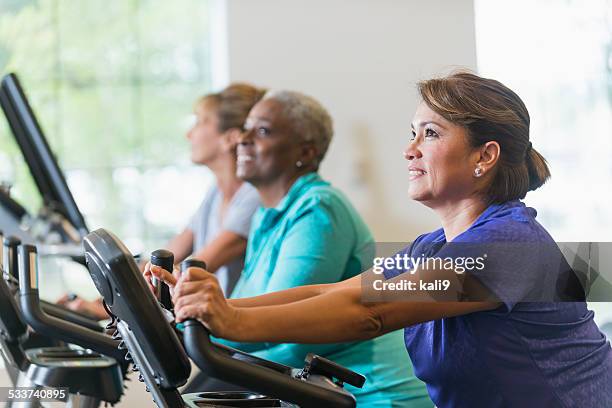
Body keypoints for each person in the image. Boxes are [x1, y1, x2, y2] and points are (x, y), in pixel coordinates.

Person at [167, 72, 612, 407]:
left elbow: (370, 313)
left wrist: (231, 323)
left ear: (485, 156)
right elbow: (336, 292)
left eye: (431, 134)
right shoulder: (432, 247)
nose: (410, 149)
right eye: (412, 133)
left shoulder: (510, 246)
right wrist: (197, 311)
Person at [148, 90, 432, 406]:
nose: (243, 139)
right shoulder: (266, 217)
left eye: (263, 131)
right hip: (314, 390)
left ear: (305, 152)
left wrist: (205, 323)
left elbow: (289, 333)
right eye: (246, 128)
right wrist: (191, 313)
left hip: (369, 395)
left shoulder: (320, 209)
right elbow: (292, 299)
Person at [58, 83, 264, 319]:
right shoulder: (215, 193)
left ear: (230, 138)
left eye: (200, 122)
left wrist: (104, 310)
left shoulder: (253, 198)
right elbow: (163, 259)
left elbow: (185, 275)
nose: (189, 134)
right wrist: (101, 300)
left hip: (225, 334)